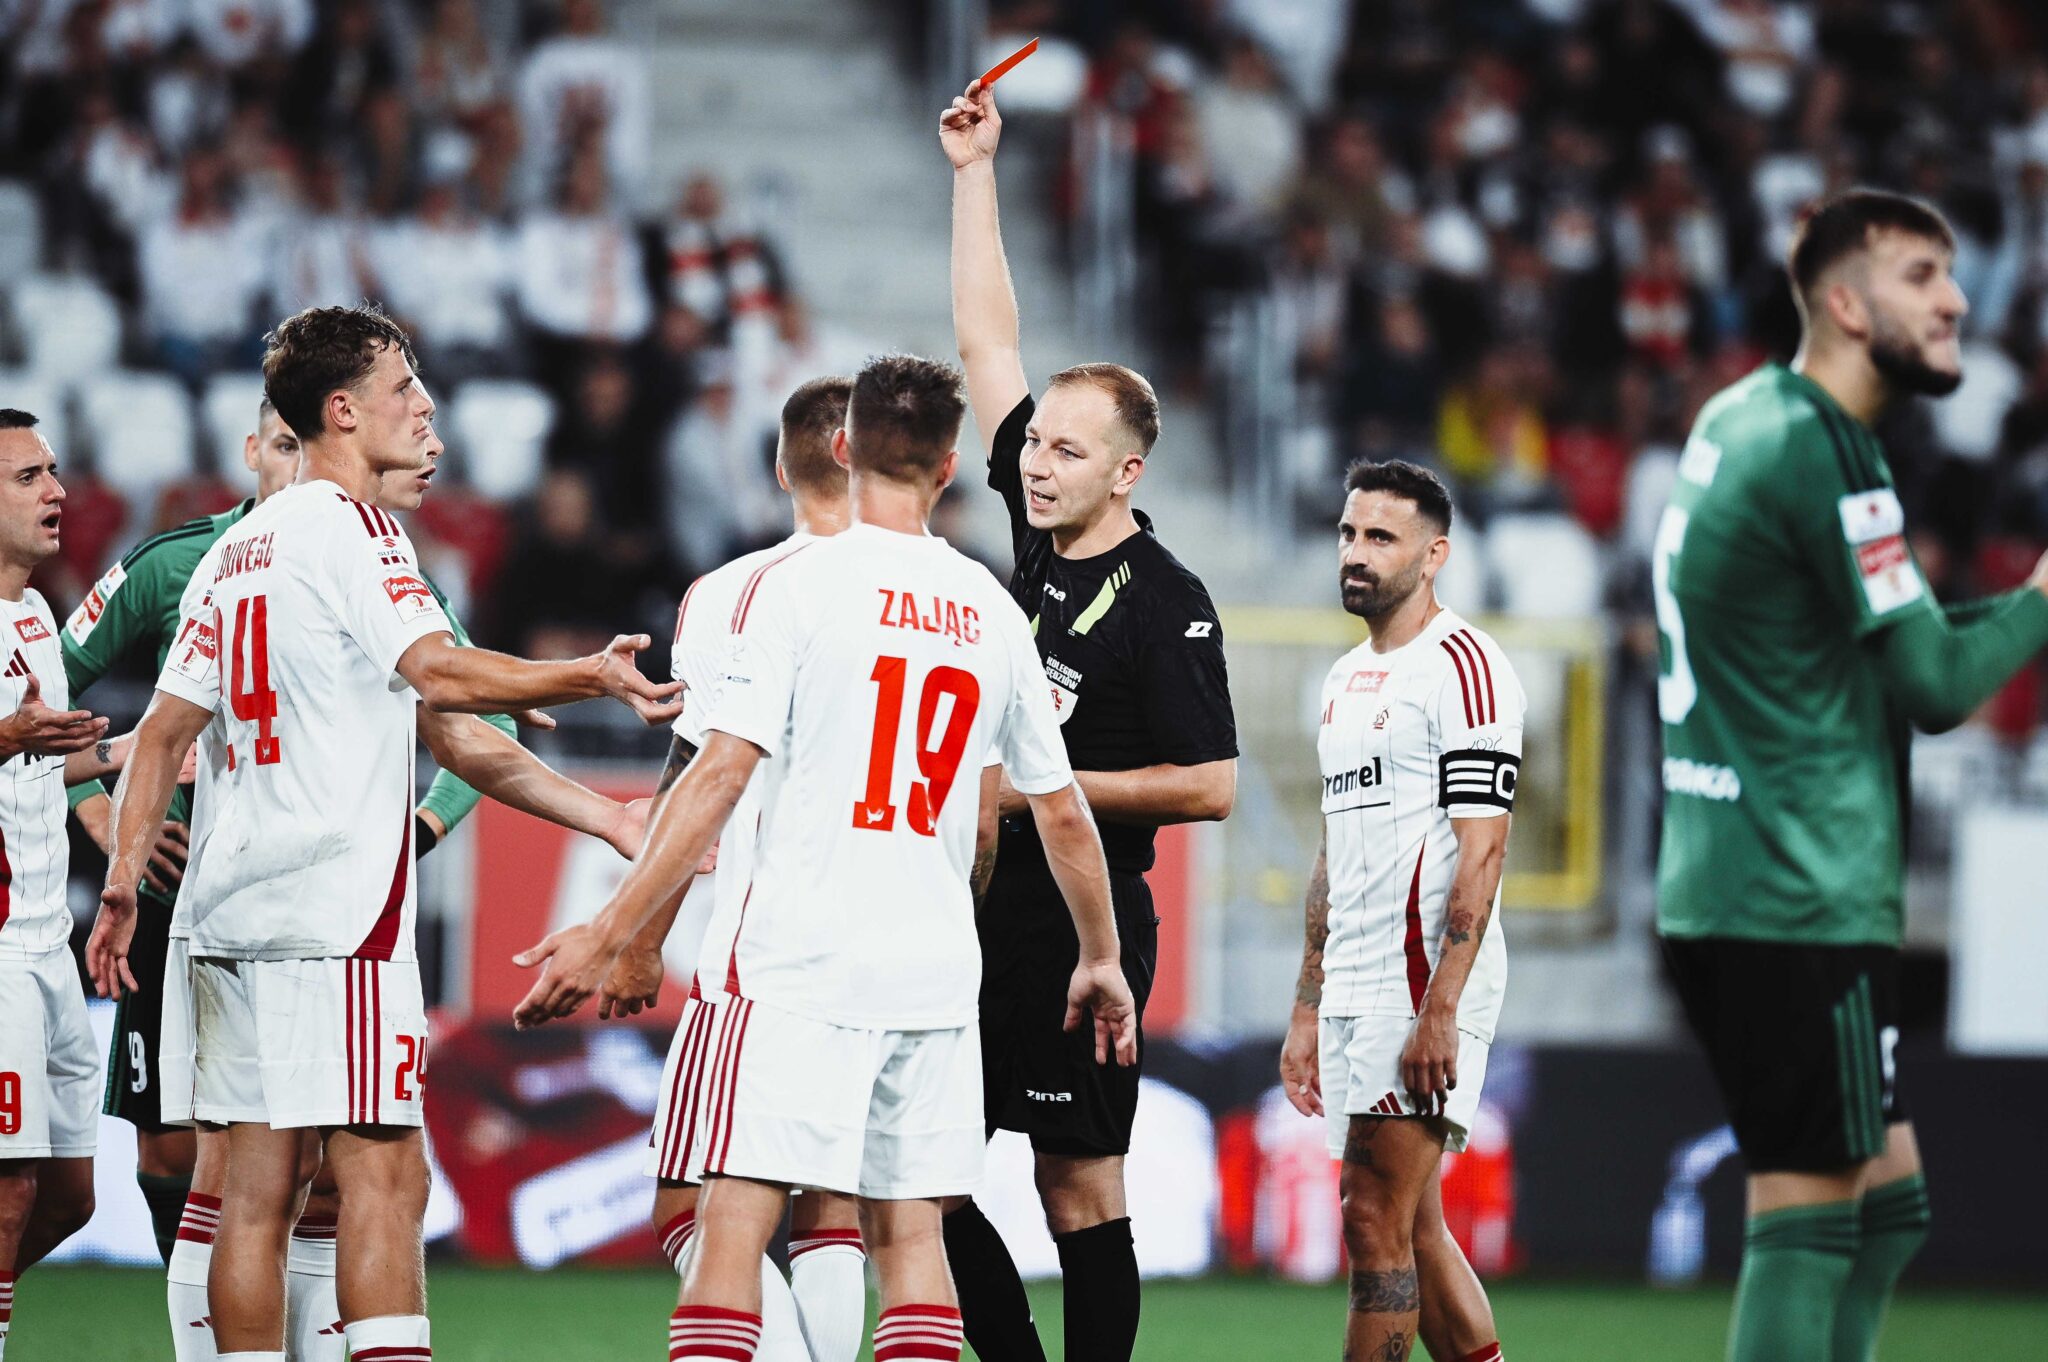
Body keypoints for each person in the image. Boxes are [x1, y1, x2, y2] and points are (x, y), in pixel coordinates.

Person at [508, 354, 1140, 1362]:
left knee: (730, 1223)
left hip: (795, 965)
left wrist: (611, 926)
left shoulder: (791, 589)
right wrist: (1100, 957)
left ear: (843, 450)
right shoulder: (986, 605)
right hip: (931, 975)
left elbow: (714, 775)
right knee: (908, 1236)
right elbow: (1056, 815)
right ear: (945, 470)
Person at [83, 304, 681, 1362]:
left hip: (223, 915)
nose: (426, 407)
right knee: (386, 1174)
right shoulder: (358, 531)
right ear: (343, 410)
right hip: (336, 911)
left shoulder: (236, 552)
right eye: (405, 388)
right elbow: (442, 675)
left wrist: (127, 874)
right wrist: (588, 673)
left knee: (249, 1192)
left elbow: (166, 731)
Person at [1653, 189, 2048, 1362]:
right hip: (1790, 892)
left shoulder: (1743, 415)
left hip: (1745, 872)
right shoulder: (1823, 447)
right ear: (1842, 300)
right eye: (1920, 274)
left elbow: (1880, 643)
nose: (1954, 298)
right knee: (1812, 1217)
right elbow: (1931, 685)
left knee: (1886, 1207)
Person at [938, 76, 1239, 1362]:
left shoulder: (1165, 601)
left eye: (1065, 449)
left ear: (1125, 470)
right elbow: (985, 342)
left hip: (1084, 921)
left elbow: (1210, 785)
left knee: (1076, 1188)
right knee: (931, 1179)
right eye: (1034, 446)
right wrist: (973, 174)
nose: (1035, 461)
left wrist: (1035, 792)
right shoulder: (1035, 548)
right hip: (975, 914)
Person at [598, 376, 870, 1362]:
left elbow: (699, 775)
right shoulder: (950, 591)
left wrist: (634, 936)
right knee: (837, 1201)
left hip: (772, 941)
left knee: (691, 1203)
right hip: (903, 945)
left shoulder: (736, 593)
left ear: (780, 465)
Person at [1277, 459, 1516, 1362]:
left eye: (1381, 538)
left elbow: (1484, 851)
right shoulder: (1342, 679)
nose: (1356, 553)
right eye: (1348, 533)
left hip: (1420, 984)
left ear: (1435, 554)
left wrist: (1440, 1011)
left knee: (1370, 1215)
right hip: (1353, 982)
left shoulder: (1466, 667)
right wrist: (1307, 1004)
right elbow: (1333, 854)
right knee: (1413, 1226)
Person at [0, 406, 164, 1360]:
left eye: (54, 472)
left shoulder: (31, 619)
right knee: (10, 1185)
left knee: (67, 1196)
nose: (58, 491)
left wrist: (137, 750)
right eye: (28, 477)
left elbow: (40, 764)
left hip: (45, 940)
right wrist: (12, 737)